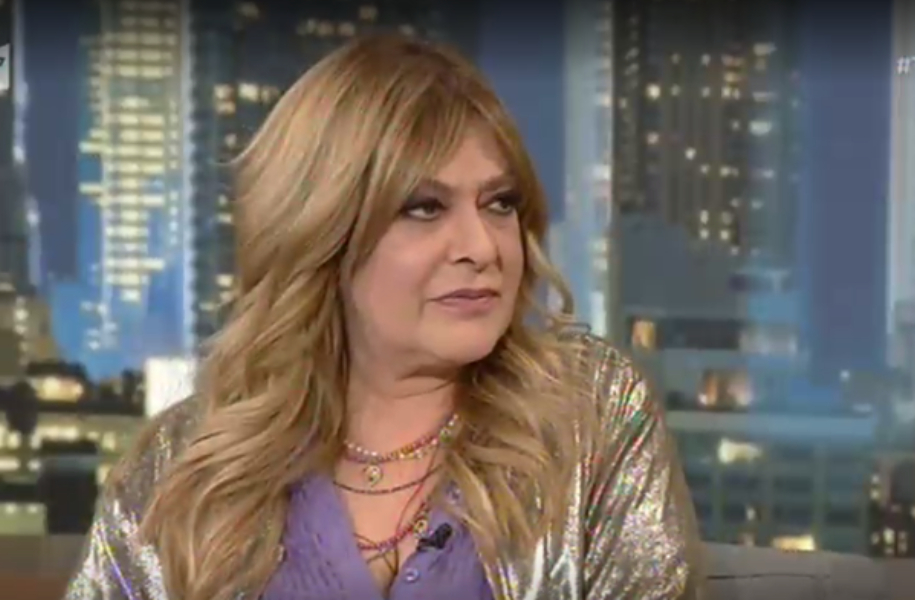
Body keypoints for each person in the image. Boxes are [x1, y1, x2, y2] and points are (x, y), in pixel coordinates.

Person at [64, 33, 702, 600]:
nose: (481, 248)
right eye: (425, 208)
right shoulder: (184, 468)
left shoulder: (590, 420)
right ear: (324, 231)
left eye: (499, 204)